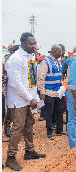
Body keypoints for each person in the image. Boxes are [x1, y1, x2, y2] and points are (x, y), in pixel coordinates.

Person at [5, 32, 46, 171]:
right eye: (31, 44)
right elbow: (15, 83)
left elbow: (31, 80)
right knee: (17, 127)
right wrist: (30, 98)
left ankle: (29, 150)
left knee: (29, 123)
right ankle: (10, 157)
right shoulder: (16, 59)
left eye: (35, 43)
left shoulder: (31, 56)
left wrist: (35, 98)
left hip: (30, 99)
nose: (34, 46)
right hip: (18, 100)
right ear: (23, 45)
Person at [38, 44, 67, 140]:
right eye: (60, 51)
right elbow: (41, 77)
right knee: (49, 112)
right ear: (54, 50)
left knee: (59, 110)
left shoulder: (58, 61)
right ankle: (49, 131)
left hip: (58, 91)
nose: (62, 52)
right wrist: (42, 91)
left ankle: (59, 130)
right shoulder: (45, 61)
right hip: (49, 91)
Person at [3, 43, 16, 138]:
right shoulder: (7, 59)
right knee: (10, 108)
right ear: (9, 50)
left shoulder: (20, 58)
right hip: (10, 86)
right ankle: (7, 127)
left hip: (19, 86)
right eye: (13, 48)